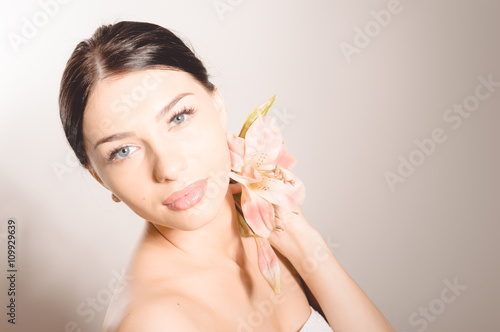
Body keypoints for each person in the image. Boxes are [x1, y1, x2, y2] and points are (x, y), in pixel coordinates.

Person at [59, 21, 394, 332]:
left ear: (217, 106)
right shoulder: (153, 323)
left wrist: (307, 245)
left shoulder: (266, 223)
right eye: (123, 151)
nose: (169, 168)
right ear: (100, 179)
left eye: (178, 117)